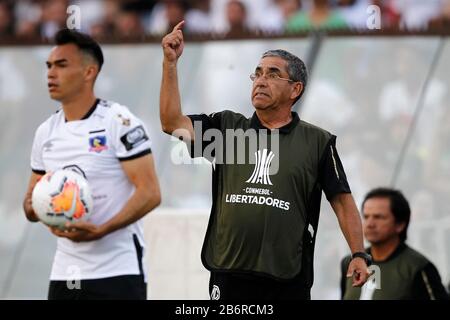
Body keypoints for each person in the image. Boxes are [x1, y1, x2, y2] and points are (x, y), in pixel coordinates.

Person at [159, 21, 370, 300]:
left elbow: (342, 202)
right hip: (229, 273)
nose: (261, 80)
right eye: (257, 73)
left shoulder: (318, 142)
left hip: (287, 277)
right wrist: (170, 63)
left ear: (295, 90)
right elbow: (171, 122)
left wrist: (358, 253)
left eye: (272, 74)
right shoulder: (226, 128)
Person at [22, 29, 161, 300]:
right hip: (65, 273)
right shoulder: (45, 132)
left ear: (89, 73)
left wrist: (101, 229)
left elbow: (150, 193)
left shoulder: (118, 121)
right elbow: (29, 204)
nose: (51, 73)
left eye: (62, 65)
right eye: (49, 66)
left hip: (118, 271)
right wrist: (44, 206)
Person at [341, 187, 449, 300]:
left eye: (378, 217)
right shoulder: (350, 264)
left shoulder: (418, 267)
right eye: (366, 217)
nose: (369, 224)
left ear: (400, 224)